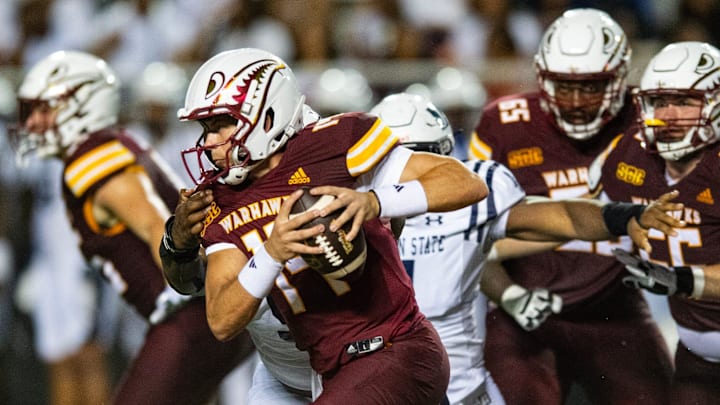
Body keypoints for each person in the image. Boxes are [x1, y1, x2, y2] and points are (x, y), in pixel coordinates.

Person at [163, 83, 682, 404]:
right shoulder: (248, 196)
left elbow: (536, 215)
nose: (397, 166)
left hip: (402, 359)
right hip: (308, 366)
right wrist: (178, 244)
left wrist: (624, 216)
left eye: (416, 154)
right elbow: (203, 294)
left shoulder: (404, 190)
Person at [9, 50, 252, 404]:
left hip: (190, 313)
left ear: (81, 105)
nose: (33, 124)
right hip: (204, 310)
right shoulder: (115, 144)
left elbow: (158, 227)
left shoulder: (90, 161)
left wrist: (194, 296)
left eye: (44, 110)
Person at [468, 8, 676, 404]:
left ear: (619, 80)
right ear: (543, 79)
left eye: (592, 87)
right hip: (522, 313)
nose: (577, 101)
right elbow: (471, 239)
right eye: (564, 86)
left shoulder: (648, 124)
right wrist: (510, 295)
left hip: (615, 310)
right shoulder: (504, 124)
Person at [592, 41, 720, 404]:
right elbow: (584, 214)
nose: (668, 115)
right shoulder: (631, 153)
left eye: (683, 101)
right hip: (698, 357)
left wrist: (683, 278)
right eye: (659, 102)